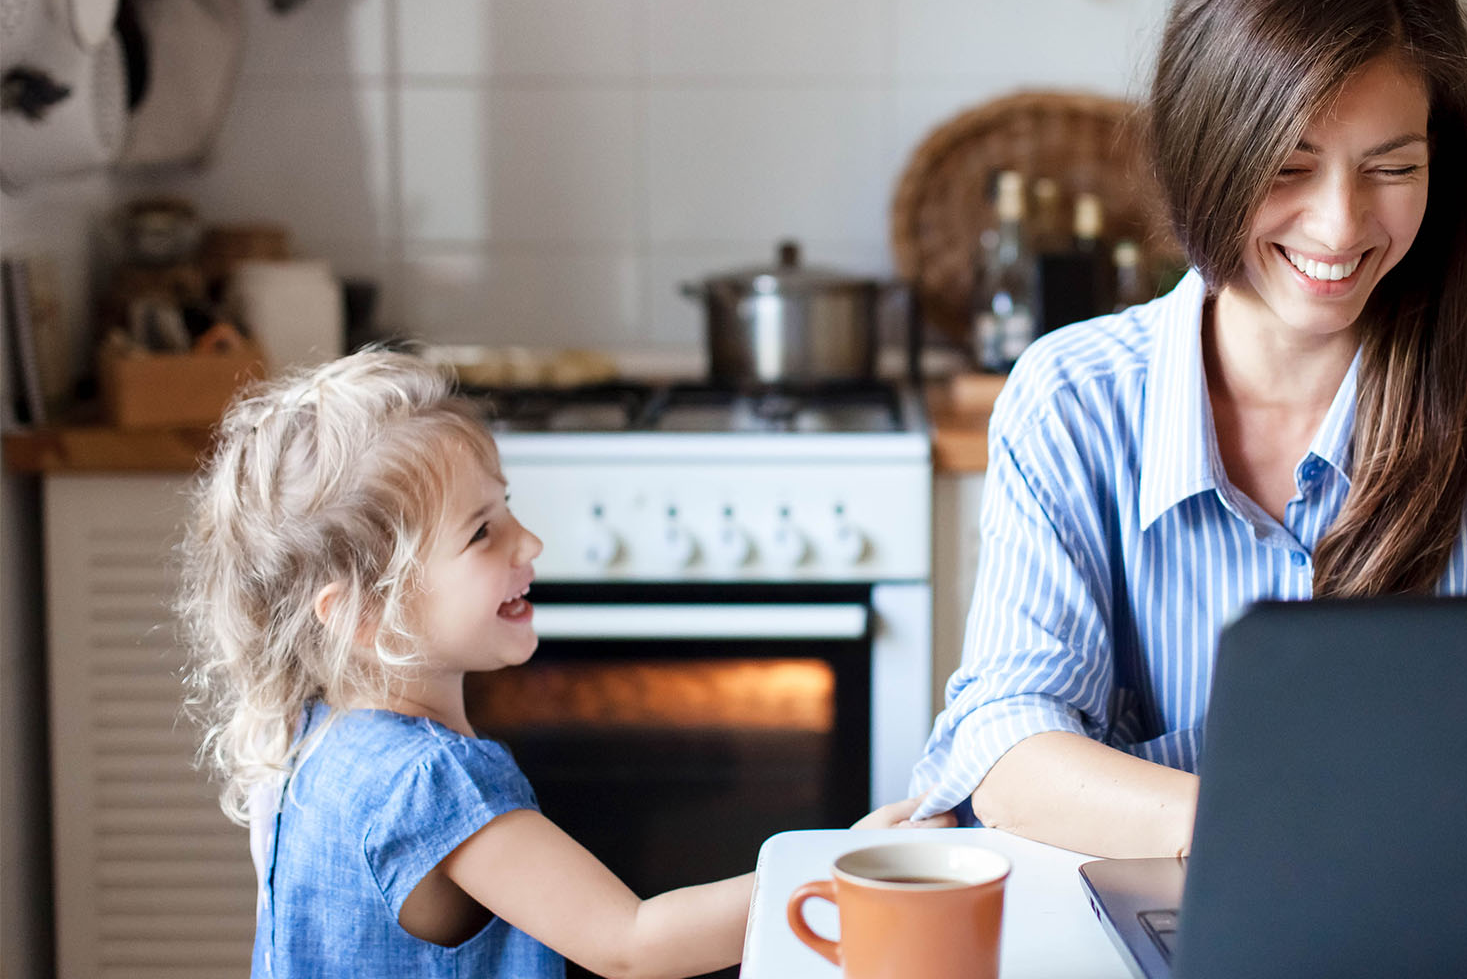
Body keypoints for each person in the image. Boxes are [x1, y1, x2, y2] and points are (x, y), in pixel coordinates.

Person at [908, 0, 1467, 859]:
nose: (1340, 228)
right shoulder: (1073, 399)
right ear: (1204, 151)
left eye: (1392, 167)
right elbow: (1009, 750)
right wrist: (1290, 828)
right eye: (1290, 167)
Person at [178, 350, 950, 979]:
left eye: (506, 508)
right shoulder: (433, 785)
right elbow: (632, 940)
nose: (530, 543)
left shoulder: (309, 743)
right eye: (483, 533)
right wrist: (844, 871)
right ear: (363, 612)